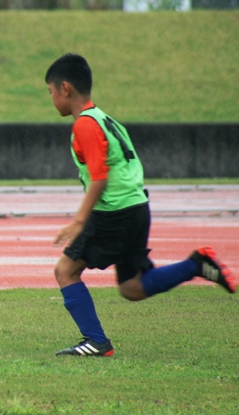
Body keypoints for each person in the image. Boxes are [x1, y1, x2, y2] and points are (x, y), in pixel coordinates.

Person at [44, 53, 236, 357]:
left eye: (51, 92)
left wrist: (80, 220)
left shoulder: (84, 125)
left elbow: (99, 177)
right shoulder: (106, 119)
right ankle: (196, 264)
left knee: (65, 270)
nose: (51, 99)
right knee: (132, 287)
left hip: (114, 213)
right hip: (136, 207)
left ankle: (96, 341)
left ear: (65, 88)